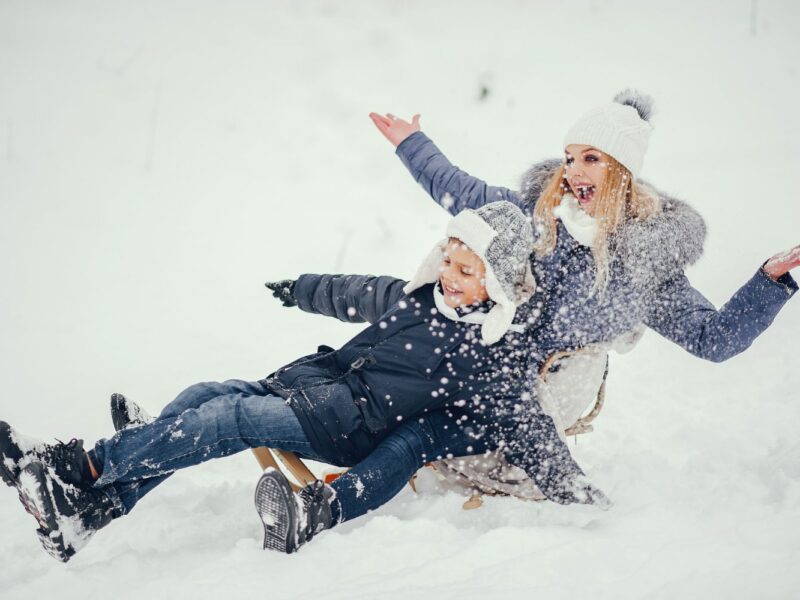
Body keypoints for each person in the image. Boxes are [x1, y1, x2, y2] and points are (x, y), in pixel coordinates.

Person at [252, 90, 800, 546]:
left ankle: (350, 487)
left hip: (556, 381)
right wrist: (412, 144)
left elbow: (714, 339)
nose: (573, 170)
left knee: (438, 421)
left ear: (623, 170)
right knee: (440, 283)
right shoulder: (538, 212)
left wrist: (770, 284)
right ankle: (333, 439)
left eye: (591, 158)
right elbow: (460, 192)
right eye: (569, 156)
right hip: (492, 348)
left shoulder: (647, 261)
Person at [1, 201, 600, 562]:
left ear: (495, 281)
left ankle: (79, 468)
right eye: (447, 259)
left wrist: (575, 488)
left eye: (467, 270)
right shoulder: (418, 299)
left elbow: (526, 424)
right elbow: (355, 291)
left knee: (230, 419)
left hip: (348, 429)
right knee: (202, 398)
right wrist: (301, 288)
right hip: (313, 388)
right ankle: (89, 514)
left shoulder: (487, 356)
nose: (449, 275)